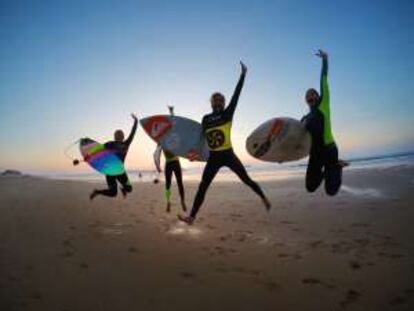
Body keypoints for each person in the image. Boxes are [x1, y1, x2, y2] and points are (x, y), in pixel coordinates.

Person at [178, 62, 271, 225]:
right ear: (211, 103)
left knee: (246, 179)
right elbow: (200, 139)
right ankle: (191, 217)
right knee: (203, 186)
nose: (218, 102)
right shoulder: (205, 119)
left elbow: (236, 96)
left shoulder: (228, 114)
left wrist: (242, 76)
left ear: (223, 102)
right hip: (214, 157)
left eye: (221, 100)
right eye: (215, 100)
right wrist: (194, 152)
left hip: (228, 154)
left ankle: (263, 197)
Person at [301, 50, 348, 196]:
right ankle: (330, 168)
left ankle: (335, 167)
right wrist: (281, 155)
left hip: (329, 149)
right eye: (308, 95)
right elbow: (295, 138)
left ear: (318, 96)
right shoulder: (305, 118)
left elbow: (324, 79)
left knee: (331, 191)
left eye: (313, 93)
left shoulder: (324, 104)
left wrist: (325, 60)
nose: (311, 96)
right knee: (310, 187)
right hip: (315, 154)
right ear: (306, 101)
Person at [90, 113, 138, 200]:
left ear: (123, 137)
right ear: (115, 137)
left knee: (129, 189)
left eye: (120, 135)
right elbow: (97, 149)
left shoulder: (125, 144)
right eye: (117, 135)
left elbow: (132, 133)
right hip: (110, 172)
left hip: (120, 171)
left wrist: (136, 121)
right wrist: (89, 147)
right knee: (113, 193)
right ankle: (97, 192)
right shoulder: (110, 144)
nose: (119, 136)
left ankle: (123, 189)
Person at [153, 106, 187, 213]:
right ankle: (168, 202)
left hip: (176, 162)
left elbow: (174, 125)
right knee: (168, 185)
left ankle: (182, 201)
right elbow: (156, 154)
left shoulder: (172, 135)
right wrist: (157, 165)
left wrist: (172, 112)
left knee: (180, 183)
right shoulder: (160, 141)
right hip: (168, 164)